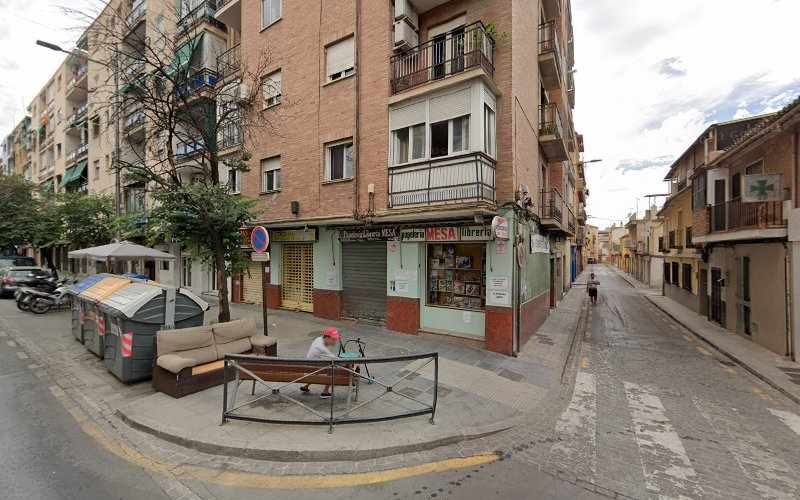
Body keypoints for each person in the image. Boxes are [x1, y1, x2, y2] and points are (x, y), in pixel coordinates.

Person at [301, 327, 341, 398]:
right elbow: (337, 360)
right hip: (310, 373)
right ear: (327, 338)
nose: (335, 342)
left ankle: (306, 386)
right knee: (332, 368)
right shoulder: (322, 348)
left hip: (308, 368)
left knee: (318, 367)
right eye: (333, 339)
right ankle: (325, 392)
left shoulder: (318, 339)